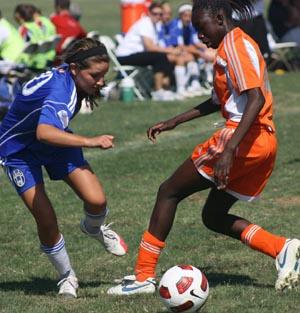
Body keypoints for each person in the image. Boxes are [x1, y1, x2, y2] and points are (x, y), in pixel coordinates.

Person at [107, 0, 300, 295]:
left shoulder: (235, 46)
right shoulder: (230, 46)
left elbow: (255, 99)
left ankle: (143, 276)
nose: (199, 36)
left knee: (168, 191)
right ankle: (283, 248)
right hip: (261, 141)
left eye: (201, 28)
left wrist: (229, 150)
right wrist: (175, 120)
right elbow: (217, 101)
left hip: (244, 138)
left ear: (220, 18)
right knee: (213, 216)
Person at [0, 37, 128, 298]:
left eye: (104, 75)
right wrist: (90, 141)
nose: (101, 82)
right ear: (74, 69)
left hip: (53, 141)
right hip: (18, 151)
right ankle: (67, 277)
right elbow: (45, 132)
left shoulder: (70, 78)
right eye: (95, 76)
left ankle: (93, 228)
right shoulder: (63, 90)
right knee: (45, 218)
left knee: (97, 200)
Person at [115, 2, 191, 101]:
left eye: (160, 14)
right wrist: (170, 50)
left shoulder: (154, 25)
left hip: (135, 54)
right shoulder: (145, 23)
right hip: (125, 56)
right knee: (159, 57)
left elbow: (156, 46)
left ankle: (166, 88)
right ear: (149, 13)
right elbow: (150, 47)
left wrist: (171, 51)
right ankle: (158, 91)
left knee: (164, 57)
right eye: (155, 14)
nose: (158, 16)